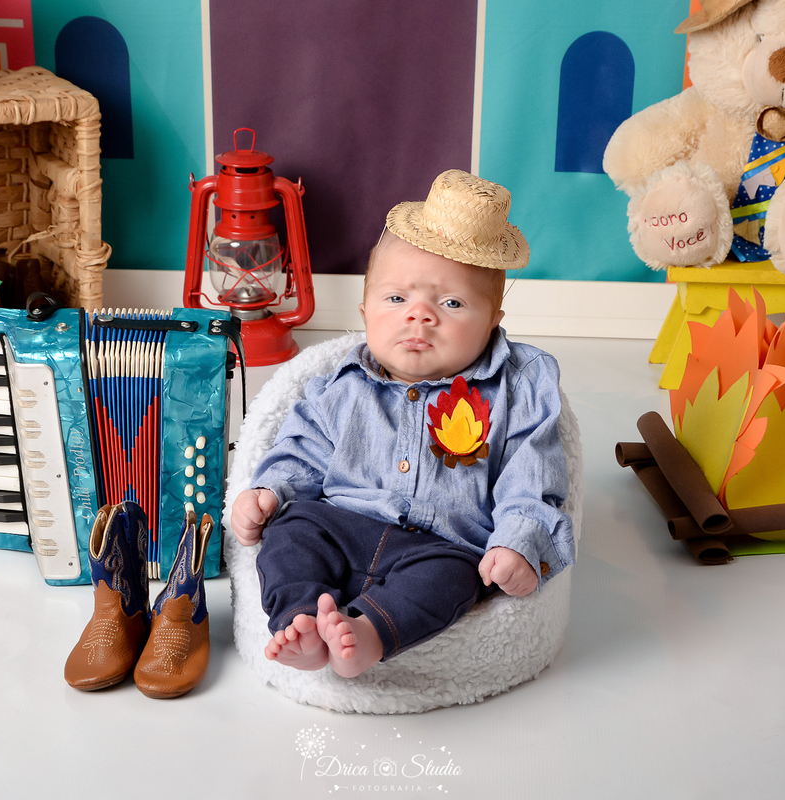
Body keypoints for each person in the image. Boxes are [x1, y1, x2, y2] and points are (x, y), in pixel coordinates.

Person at [230, 169, 574, 678]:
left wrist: (517, 542)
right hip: (340, 524)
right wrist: (271, 490)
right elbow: (300, 450)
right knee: (290, 536)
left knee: (454, 580)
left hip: (442, 543)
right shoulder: (339, 386)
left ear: (494, 319)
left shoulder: (515, 386)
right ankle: (300, 622)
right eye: (396, 299)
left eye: (452, 303)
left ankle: (370, 633)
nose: (420, 316)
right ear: (365, 307)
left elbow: (533, 473)